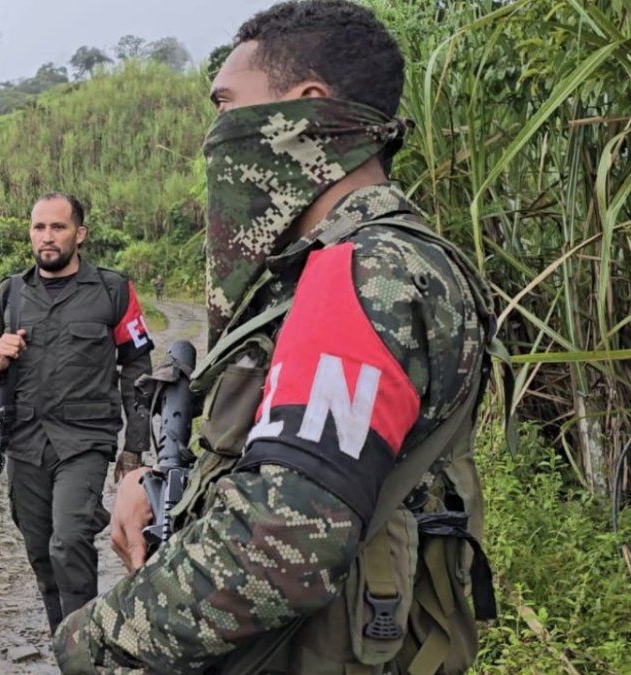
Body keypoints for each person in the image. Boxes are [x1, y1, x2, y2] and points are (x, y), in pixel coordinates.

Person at [52, 2, 501, 673]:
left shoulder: (358, 273)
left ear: (305, 114)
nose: (216, 133)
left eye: (228, 105)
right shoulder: (400, 255)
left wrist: (96, 636)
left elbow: (282, 541)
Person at [0, 192, 155, 633]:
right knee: (40, 550)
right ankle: (66, 641)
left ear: (80, 233)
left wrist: (133, 448)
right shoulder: (10, 293)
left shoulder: (113, 289)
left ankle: (84, 649)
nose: (47, 237)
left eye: (58, 227)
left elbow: (138, 369)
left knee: (69, 538)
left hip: (84, 440)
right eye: (39, 228)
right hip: (25, 440)